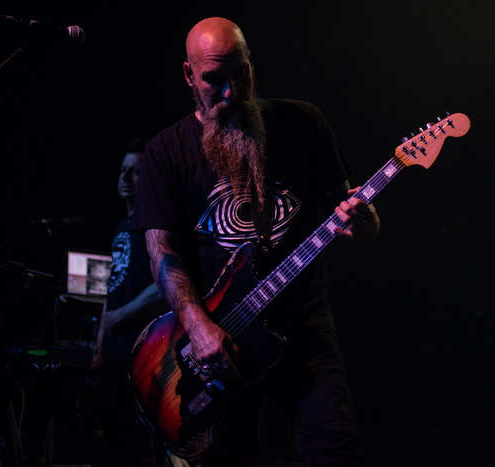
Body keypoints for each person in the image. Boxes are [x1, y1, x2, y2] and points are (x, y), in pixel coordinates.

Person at [131, 17, 380, 466]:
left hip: (301, 323)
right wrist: (197, 325)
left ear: (251, 63)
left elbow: (351, 214)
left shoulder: (304, 122)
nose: (232, 92)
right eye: (214, 79)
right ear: (189, 75)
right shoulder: (166, 152)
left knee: (336, 451)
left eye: (240, 73)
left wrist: (365, 221)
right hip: (217, 335)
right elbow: (162, 252)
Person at [92, 139, 168, 467]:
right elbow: (110, 290)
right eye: (123, 170)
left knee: (141, 442)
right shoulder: (120, 228)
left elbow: (165, 285)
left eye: (135, 172)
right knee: (114, 438)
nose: (125, 177)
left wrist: (119, 316)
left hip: (143, 350)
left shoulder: (154, 226)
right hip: (114, 351)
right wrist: (99, 344)